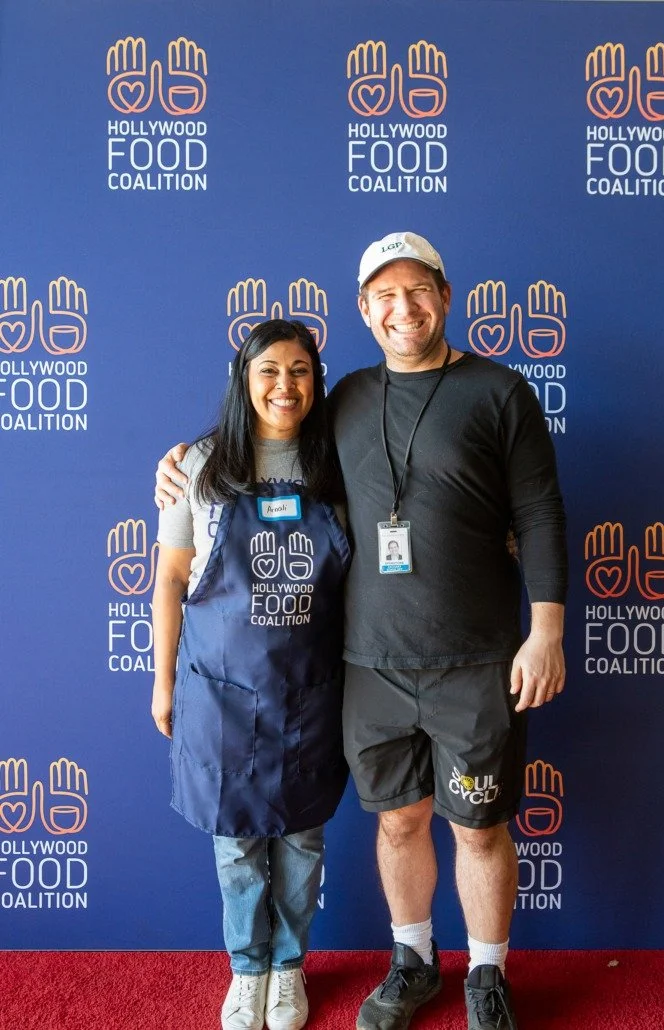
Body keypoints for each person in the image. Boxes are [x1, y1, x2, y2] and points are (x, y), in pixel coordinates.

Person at [155, 233, 567, 1030]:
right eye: (383, 295)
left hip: (477, 660)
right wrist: (178, 463)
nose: (401, 308)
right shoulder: (340, 400)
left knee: (479, 829)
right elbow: (257, 449)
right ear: (363, 310)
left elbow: (540, 514)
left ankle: (487, 975)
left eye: (416, 291)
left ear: (445, 297)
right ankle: (411, 962)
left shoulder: (499, 391)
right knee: (397, 820)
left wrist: (544, 627)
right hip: (369, 667)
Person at [151, 318, 349, 1030]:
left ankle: (289, 968)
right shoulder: (201, 465)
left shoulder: (338, 462)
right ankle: (246, 969)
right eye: (268, 370)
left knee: (301, 838)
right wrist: (162, 680)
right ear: (243, 378)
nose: (284, 386)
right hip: (218, 689)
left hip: (309, 686)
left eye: (299, 371)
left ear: (315, 382)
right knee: (236, 842)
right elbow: (170, 577)